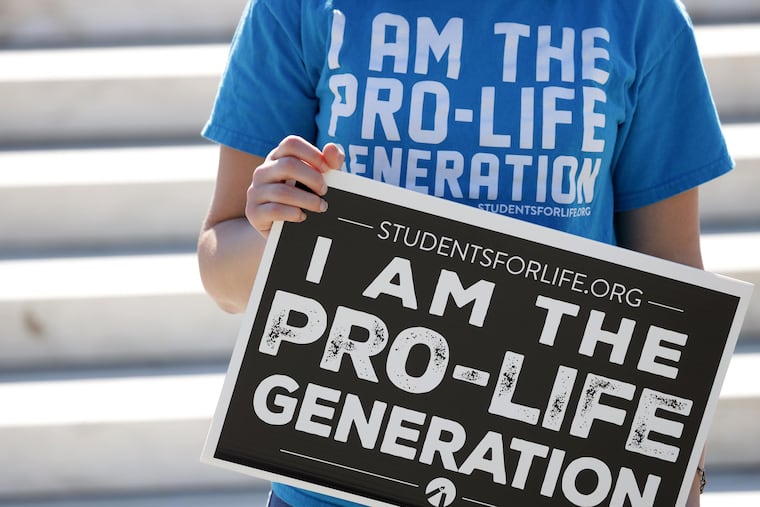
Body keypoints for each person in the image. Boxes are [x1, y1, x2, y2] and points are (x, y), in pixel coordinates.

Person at [197, 0, 731, 505]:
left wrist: (685, 480)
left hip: (548, 474)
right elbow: (222, 274)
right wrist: (276, 232)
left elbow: (674, 286)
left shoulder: (640, 14)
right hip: (334, 477)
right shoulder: (294, 8)